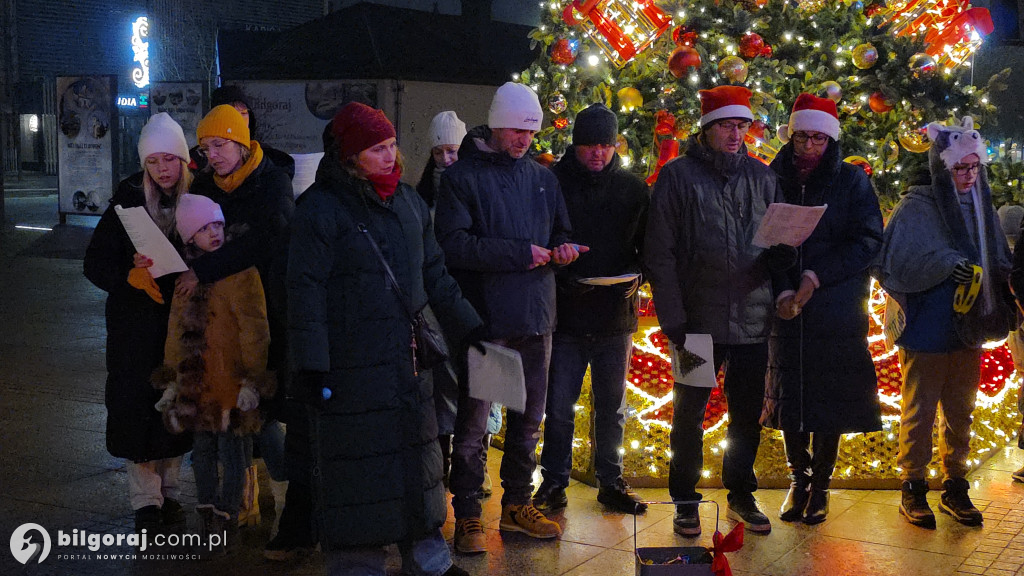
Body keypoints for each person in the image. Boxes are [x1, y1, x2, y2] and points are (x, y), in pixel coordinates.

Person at [287, 102, 481, 576]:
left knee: (418, 461)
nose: (390, 156)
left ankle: (429, 561)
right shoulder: (320, 209)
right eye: (377, 149)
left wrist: (471, 328)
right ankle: (358, 564)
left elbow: (435, 274)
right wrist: (312, 366)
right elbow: (303, 291)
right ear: (350, 156)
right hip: (349, 365)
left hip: (406, 360)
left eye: (392, 145)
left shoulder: (410, 202)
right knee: (358, 468)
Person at [435, 81, 583, 554]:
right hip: (491, 320)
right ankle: (469, 514)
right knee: (476, 425)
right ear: (496, 125)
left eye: (531, 131)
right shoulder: (462, 178)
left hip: (537, 318)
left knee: (528, 421)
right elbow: (454, 245)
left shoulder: (542, 178)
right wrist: (521, 254)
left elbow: (561, 228)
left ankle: (518, 505)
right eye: (517, 130)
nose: (524, 139)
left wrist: (562, 249)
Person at [644, 85, 790, 536]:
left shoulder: (763, 178)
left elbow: (777, 246)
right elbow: (660, 252)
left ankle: (741, 495)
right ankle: (685, 499)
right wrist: (674, 319)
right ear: (707, 128)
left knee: (746, 413)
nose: (735, 134)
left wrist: (783, 278)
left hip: (752, 320)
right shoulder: (677, 177)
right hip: (695, 324)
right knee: (689, 412)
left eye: (742, 126)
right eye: (727, 125)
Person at [875, 116, 1015, 528]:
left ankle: (955, 483)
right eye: (960, 168)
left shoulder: (981, 206)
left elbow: (996, 259)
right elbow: (895, 261)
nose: (969, 175)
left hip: (968, 326)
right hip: (928, 324)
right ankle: (912, 485)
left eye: (975, 167)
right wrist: (944, 265)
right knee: (919, 408)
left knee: (961, 408)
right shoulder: (916, 206)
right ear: (943, 167)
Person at [760, 94, 883, 525]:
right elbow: (761, 239)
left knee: (829, 392)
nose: (810, 147)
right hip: (785, 302)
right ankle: (799, 477)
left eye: (818, 139)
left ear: (829, 140)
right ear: (790, 136)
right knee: (788, 388)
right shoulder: (772, 177)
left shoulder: (852, 181)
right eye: (802, 138)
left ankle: (822, 484)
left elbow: (867, 240)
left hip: (835, 301)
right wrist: (781, 289)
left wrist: (815, 276)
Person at [532, 103, 651, 515]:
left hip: (615, 313)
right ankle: (553, 481)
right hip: (564, 313)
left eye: (605, 145)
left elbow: (647, 246)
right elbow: (537, 238)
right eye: (589, 146)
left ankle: (611, 480)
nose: (598, 153)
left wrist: (639, 273)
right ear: (575, 145)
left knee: (611, 406)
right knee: (559, 404)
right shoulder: (551, 183)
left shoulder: (634, 189)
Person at [183, 104, 295, 531]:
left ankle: (285, 497)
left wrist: (206, 269)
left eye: (220, 144)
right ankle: (244, 501)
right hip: (220, 319)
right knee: (234, 413)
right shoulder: (208, 186)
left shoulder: (272, 182)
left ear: (241, 143)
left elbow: (269, 240)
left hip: (266, 310)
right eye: (206, 147)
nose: (213, 154)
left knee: (263, 414)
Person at [83, 112, 194, 533]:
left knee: (176, 408)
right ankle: (145, 501)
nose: (163, 169)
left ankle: (172, 492)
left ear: (183, 161)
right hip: (133, 329)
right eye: (154, 162)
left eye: (170, 159)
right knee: (136, 411)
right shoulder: (125, 202)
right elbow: (94, 263)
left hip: (181, 326)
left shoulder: (196, 200)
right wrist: (128, 276)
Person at [152, 193, 275, 540]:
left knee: (234, 451)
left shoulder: (241, 271)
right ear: (190, 236)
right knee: (203, 451)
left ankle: (229, 512)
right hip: (197, 384)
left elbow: (255, 328)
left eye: (218, 224)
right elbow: (176, 331)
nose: (214, 232)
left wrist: (252, 379)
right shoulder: (187, 277)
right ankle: (207, 508)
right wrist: (173, 379)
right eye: (204, 228)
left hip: (231, 381)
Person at [190, 85, 296, 180]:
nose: (239, 119)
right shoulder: (197, 159)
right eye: (232, 114)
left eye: (244, 113)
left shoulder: (266, 156)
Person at [417, 110, 467, 209]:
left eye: (451, 151)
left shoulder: (475, 186)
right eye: (438, 152)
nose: (445, 158)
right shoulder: (423, 191)